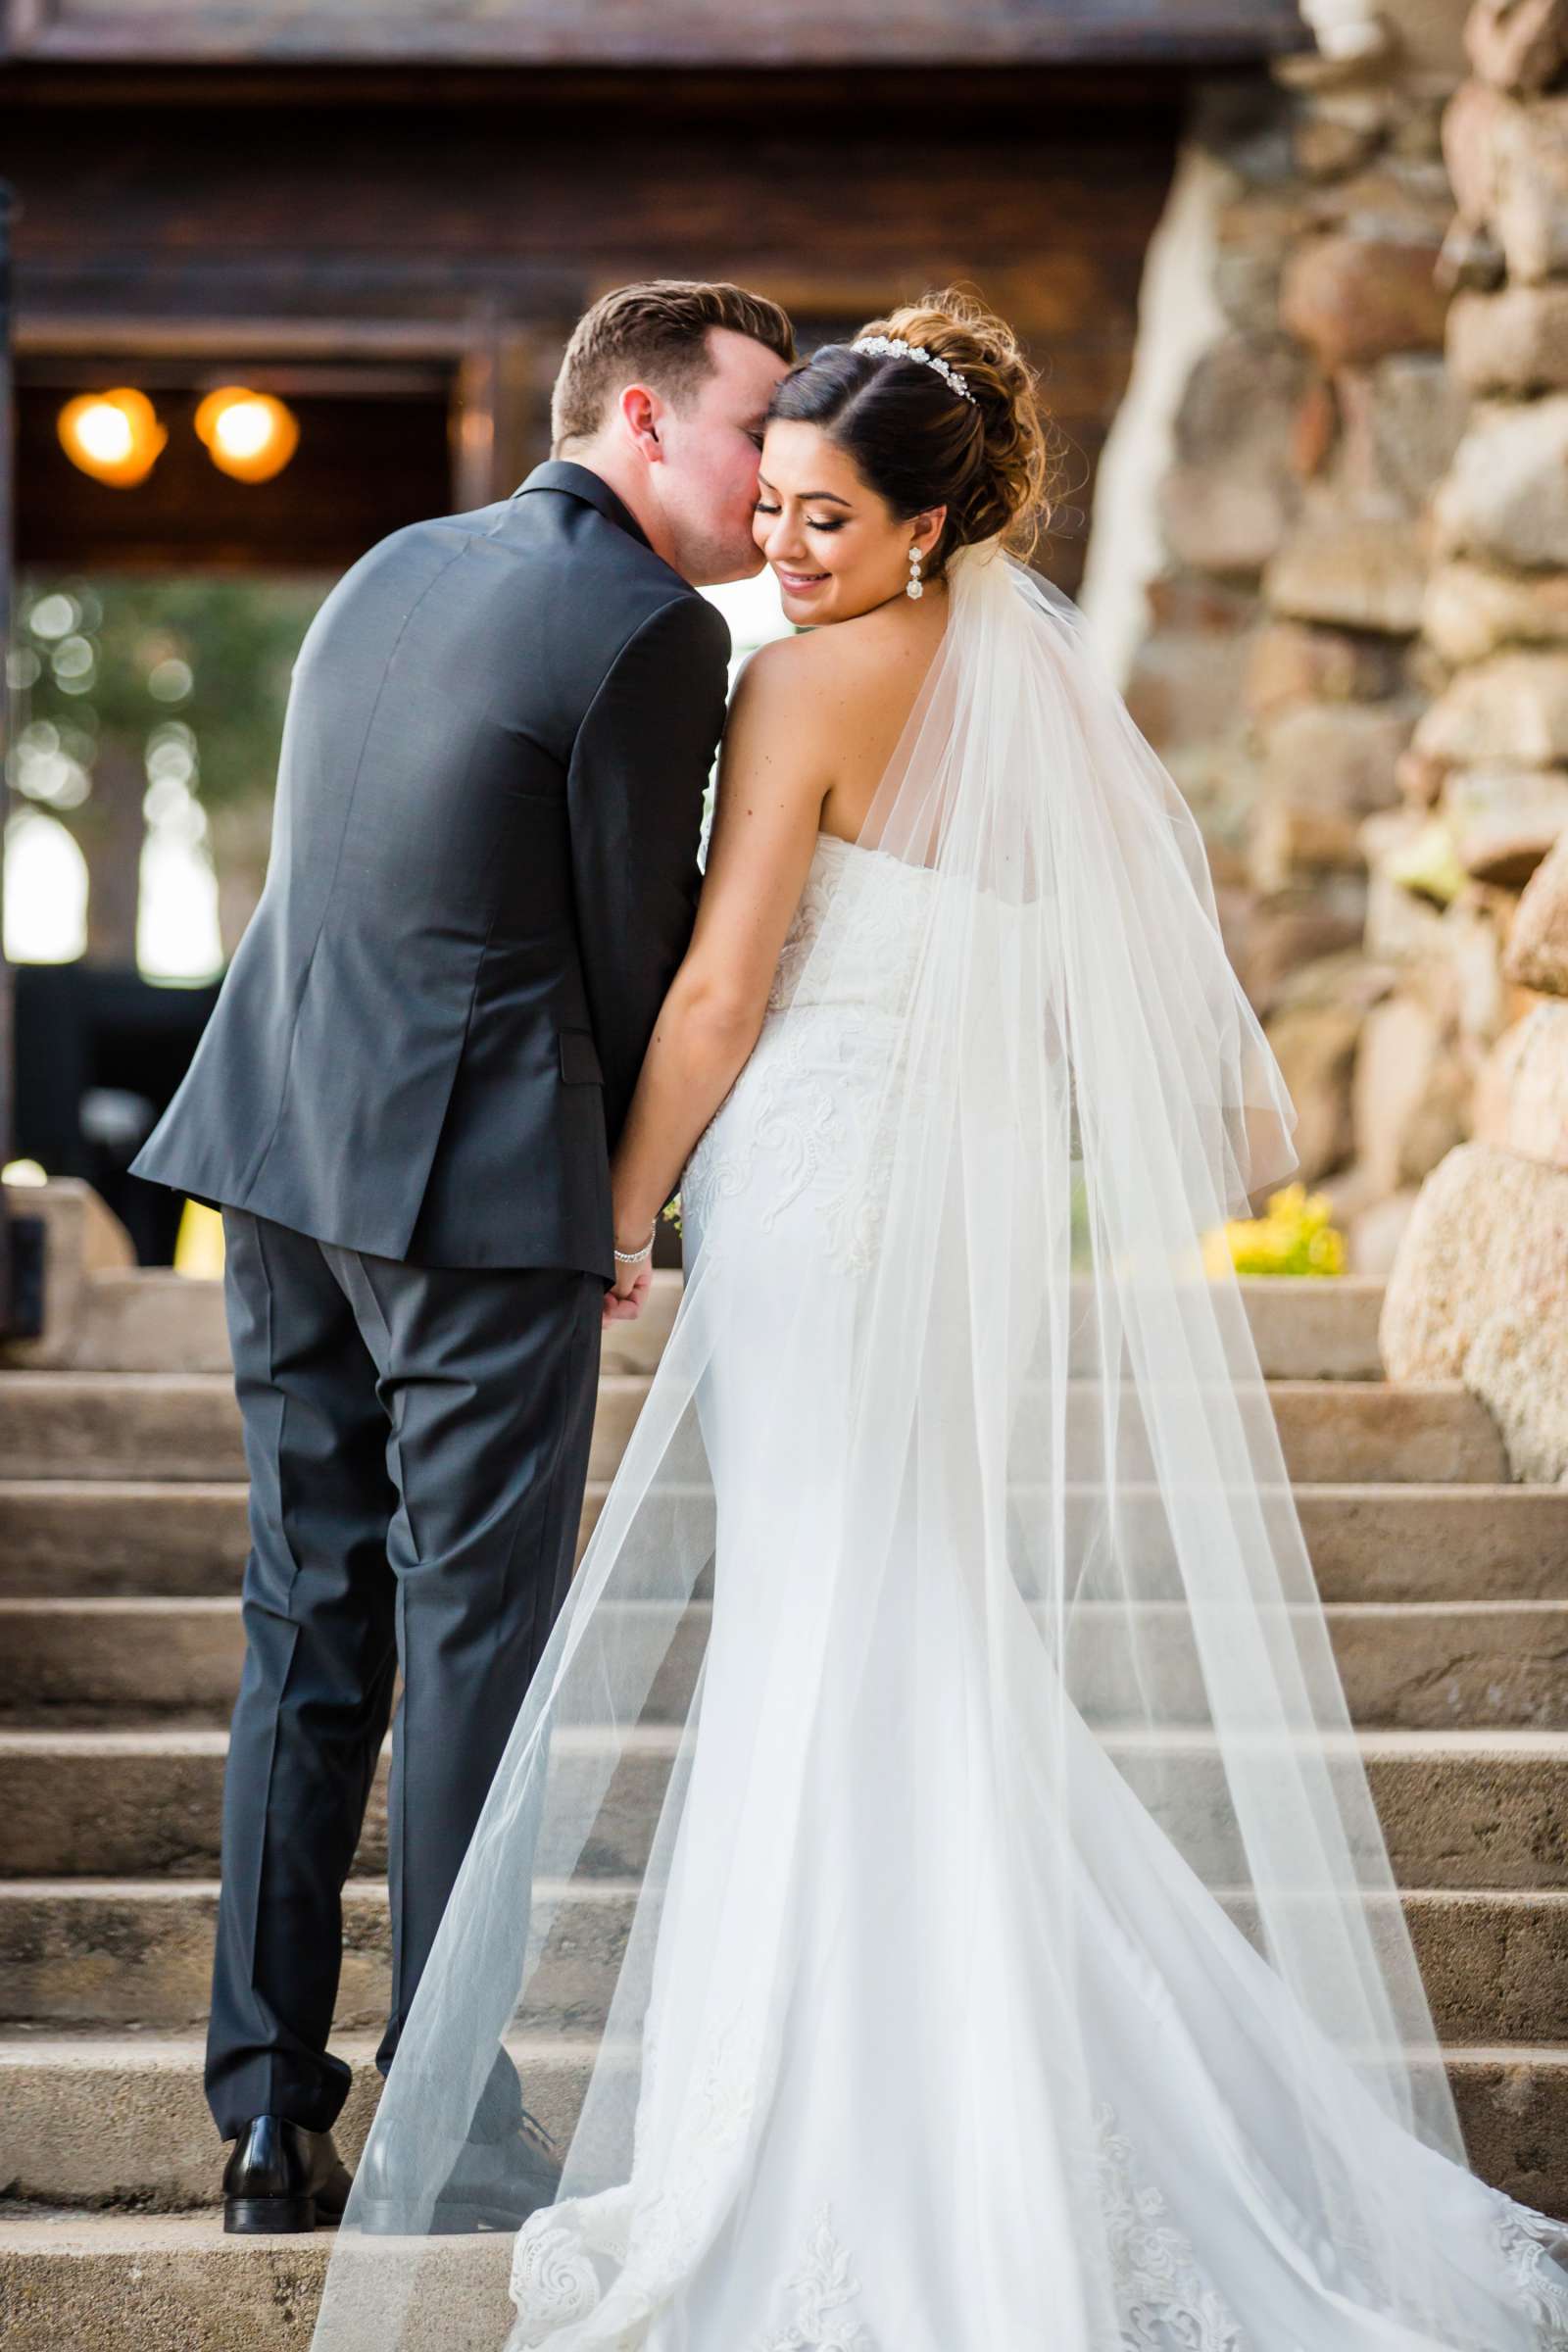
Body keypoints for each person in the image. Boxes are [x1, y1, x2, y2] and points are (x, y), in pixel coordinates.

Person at [311, 292, 1568, 2348]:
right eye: (775, 511)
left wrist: (621, 1208)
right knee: (898, 1616)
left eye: (823, 521)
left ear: (920, 525)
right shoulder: (1039, 697)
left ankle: (855, 2121)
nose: (783, 553)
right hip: (933, 1198)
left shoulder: (801, 691)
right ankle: (971, 2089)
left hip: (814, 1185)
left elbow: (718, 999)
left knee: (841, 1620)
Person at [127, 278, 795, 2234]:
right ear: (648, 419)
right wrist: (623, 1207)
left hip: (275, 1145)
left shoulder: (396, 561)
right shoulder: (651, 628)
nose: (770, 483)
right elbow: (629, 951)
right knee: (479, 1657)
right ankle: (445, 2125)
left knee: (307, 1623)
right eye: (753, 430)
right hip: (476, 1189)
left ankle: (263, 2118)